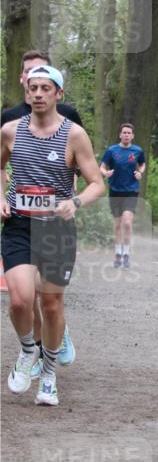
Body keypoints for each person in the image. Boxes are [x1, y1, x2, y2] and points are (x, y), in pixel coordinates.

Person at [1, 65, 104, 406]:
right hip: (19, 225)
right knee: (20, 299)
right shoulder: (10, 131)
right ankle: (27, 350)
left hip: (56, 228)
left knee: (51, 303)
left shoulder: (74, 135)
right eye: (33, 88)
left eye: (46, 88)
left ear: (59, 93)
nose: (38, 94)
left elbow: (97, 184)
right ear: (27, 92)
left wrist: (75, 202)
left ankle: (48, 374)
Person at [2, 49, 82, 366]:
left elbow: (77, 159)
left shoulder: (69, 115)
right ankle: (34, 348)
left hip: (55, 218)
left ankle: (55, 329)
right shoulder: (9, 119)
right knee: (24, 295)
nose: (37, 85)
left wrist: (72, 197)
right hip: (20, 218)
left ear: (56, 87)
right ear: (22, 79)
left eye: (43, 75)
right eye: (30, 75)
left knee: (47, 296)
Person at [100, 123, 146, 268]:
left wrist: (140, 172)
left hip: (131, 191)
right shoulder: (112, 150)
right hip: (115, 191)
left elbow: (143, 164)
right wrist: (105, 173)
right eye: (124, 132)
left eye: (129, 133)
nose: (126, 135)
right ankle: (117, 254)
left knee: (127, 222)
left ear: (132, 136)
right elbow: (102, 166)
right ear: (120, 135)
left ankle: (126, 253)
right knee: (117, 224)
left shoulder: (137, 150)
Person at [1, 49, 83, 126]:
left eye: (40, 70)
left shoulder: (68, 114)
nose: (34, 75)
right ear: (21, 77)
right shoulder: (8, 117)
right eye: (28, 71)